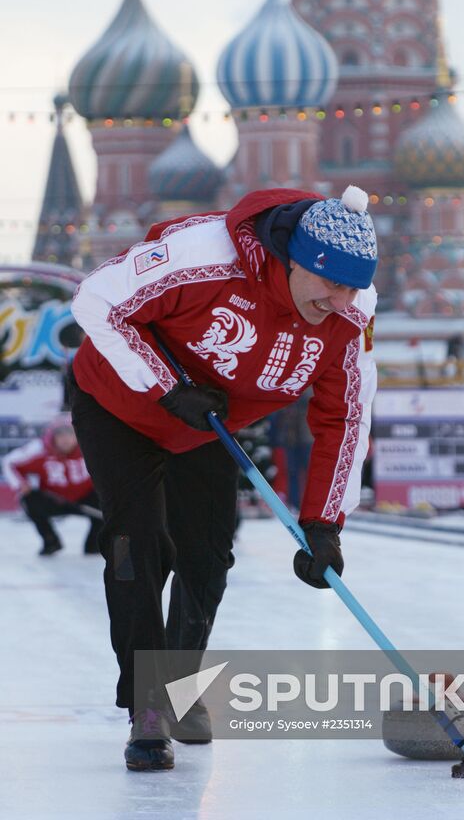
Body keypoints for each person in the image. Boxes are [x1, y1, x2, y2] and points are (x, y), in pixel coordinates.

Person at [68, 185, 377, 771]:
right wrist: (168, 385)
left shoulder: (350, 313)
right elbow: (96, 301)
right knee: (139, 546)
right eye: (329, 283)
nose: (341, 301)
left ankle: (182, 690)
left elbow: (345, 415)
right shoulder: (203, 256)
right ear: (291, 260)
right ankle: (147, 709)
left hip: (207, 425)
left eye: (353, 287)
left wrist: (323, 522)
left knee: (207, 556)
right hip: (120, 404)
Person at [2, 413, 100, 555]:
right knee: (28, 499)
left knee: (107, 501)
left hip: (86, 499)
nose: (65, 439)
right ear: (52, 436)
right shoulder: (38, 449)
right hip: (55, 500)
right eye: (60, 434)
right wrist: (20, 484)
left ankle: (94, 544)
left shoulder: (92, 448)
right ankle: (51, 541)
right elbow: (9, 462)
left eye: (70, 433)